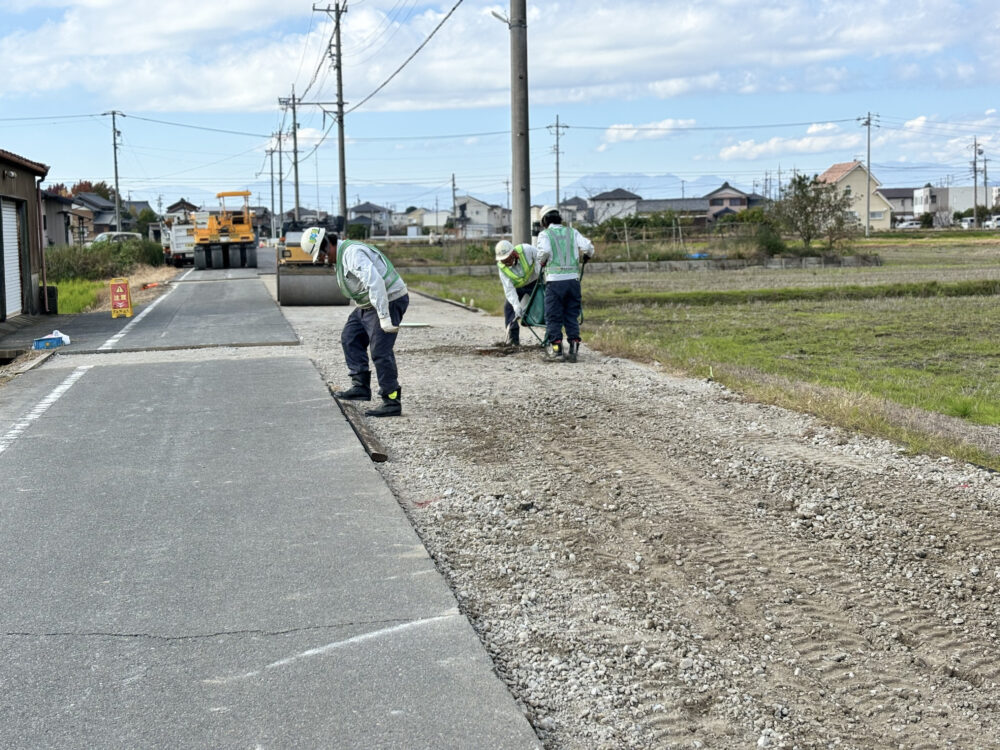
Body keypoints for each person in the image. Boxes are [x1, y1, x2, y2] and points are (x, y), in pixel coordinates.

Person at [300, 227, 409, 417]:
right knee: (350, 337)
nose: (323, 260)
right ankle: (361, 387)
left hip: (389, 299)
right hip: (368, 304)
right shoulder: (341, 257)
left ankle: (391, 400)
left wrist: (384, 317)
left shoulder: (352, 254)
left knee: (380, 351)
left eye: (322, 255)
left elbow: (375, 282)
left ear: (328, 245)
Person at [535, 205, 594, 362]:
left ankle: (556, 350)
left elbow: (545, 251)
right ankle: (573, 349)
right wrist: (588, 255)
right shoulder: (572, 232)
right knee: (571, 315)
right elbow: (587, 246)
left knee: (553, 316)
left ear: (545, 221)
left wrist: (541, 261)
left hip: (555, 282)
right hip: (573, 281)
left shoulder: (545, 234)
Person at [494, 239, 541, 345]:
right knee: (509, 308)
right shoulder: (502, 268)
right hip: (517, 287)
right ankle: (513, 339)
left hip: (535, 283)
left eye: (506, 260)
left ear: (513, 254)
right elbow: (509, 289)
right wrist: (516, 306)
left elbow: (540, 258)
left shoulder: (526, 250)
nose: (505, 263)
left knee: (545, 305)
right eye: (502, 261)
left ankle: (552, 337)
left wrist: (540, 275)